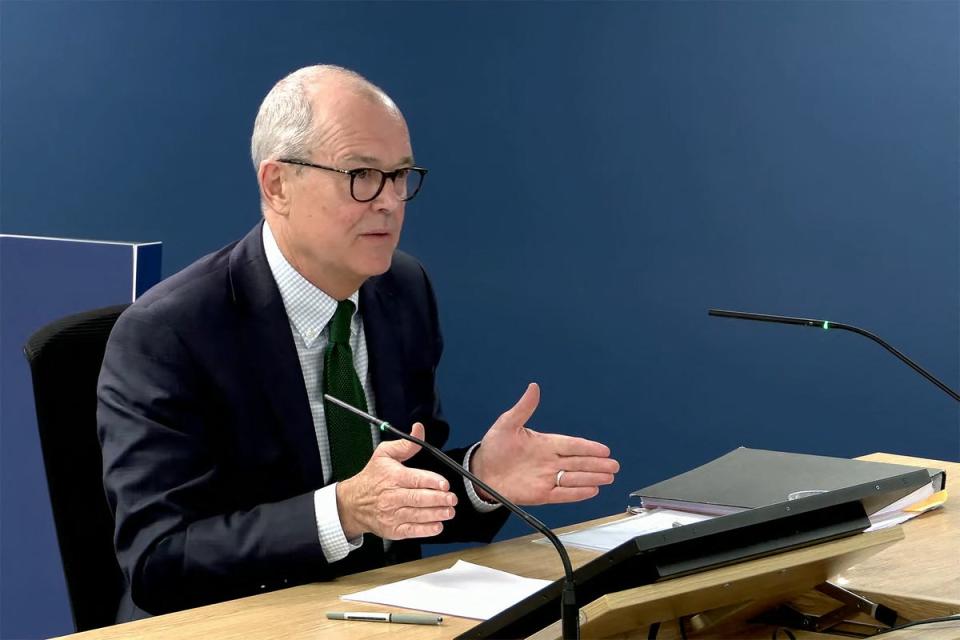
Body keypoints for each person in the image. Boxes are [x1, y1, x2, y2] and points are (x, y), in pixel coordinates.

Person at [97, 64, 620, 622]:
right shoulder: (170, 334)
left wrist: (479, 478)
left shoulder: (403, 289)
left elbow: (402, 486)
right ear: (277, 184)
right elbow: (159, 562)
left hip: (387, 615)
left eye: (399, 176)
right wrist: (342, 513)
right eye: (362, 175)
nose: (390, 202)